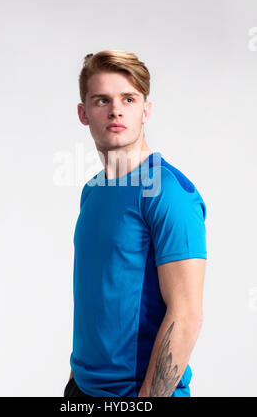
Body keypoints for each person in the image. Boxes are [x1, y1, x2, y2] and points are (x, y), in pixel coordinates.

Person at [63, 50, 207, 398]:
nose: (115, 110)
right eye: (102, 100)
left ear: (146, 110)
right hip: (82, 389)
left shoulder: (170, 193)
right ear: (83, 113)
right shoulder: (92, 192)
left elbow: (186, 314)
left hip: (137, 394)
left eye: (128, 98)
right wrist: (73, 381)